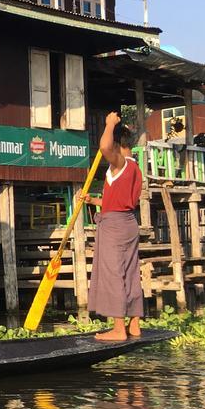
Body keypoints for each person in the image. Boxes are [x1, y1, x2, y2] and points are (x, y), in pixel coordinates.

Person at [78, 111, 142, 341]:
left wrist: (109, 124)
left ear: (119, 145)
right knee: (130, 272)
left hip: (115, 226)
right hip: (128, 222)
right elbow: (118, 200)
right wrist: (93, 201)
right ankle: (134, 323)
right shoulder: (135, 168)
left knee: (113, 273)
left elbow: (105, 147)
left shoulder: (121, 163)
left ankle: (118, 329)